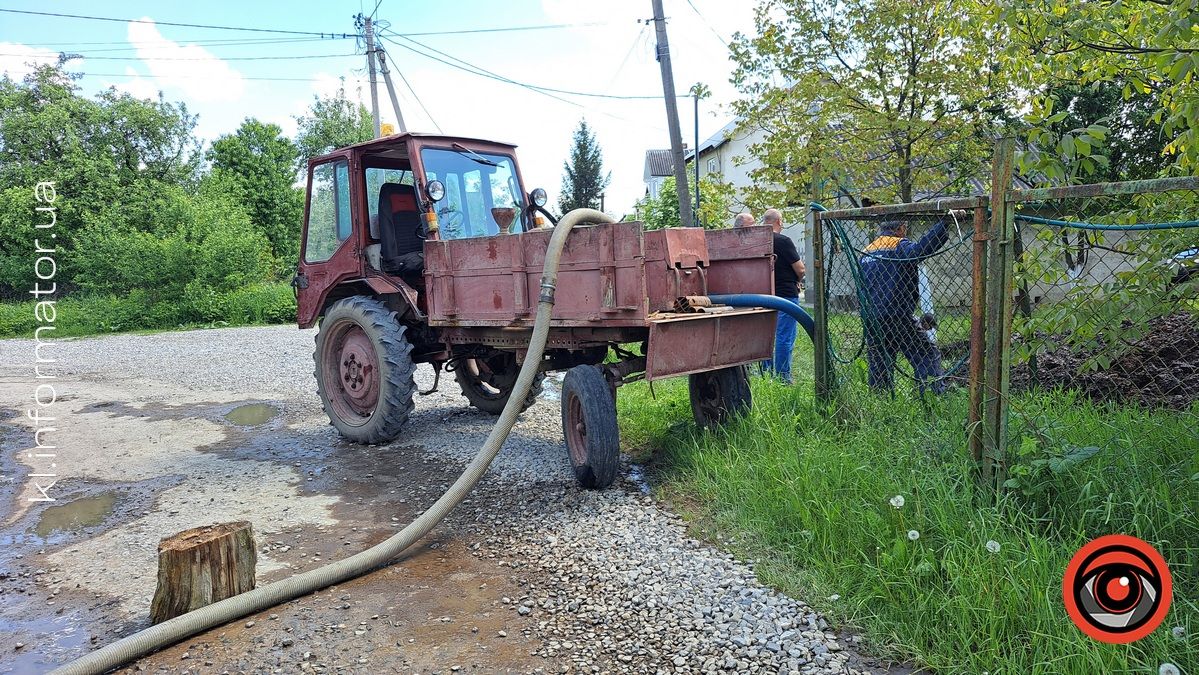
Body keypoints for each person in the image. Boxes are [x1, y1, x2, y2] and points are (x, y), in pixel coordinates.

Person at [859, 210, 965, 394]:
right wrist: (944, 223)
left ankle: (879, 398)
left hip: (872, 318)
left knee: (880, 360)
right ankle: (932, 394)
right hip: (897, 316)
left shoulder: (867, 251)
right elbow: (920, 250)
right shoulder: (899, 245)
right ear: (901, 228)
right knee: (926, 354)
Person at [760, 208, 806, 383]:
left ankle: (765, 372)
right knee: (784, 336)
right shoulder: (783, 241)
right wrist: (798, 279)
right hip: (786, 295)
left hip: (762, 295)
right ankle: (783, 376)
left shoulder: (756, 241)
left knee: (766, 335)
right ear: (779, 221)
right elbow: (800, 269)